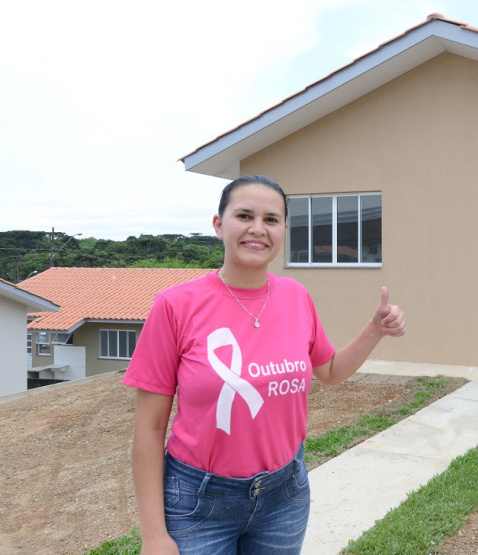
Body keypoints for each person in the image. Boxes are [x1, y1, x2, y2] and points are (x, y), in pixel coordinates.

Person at [123, 175, 405, 554]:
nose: (258, 228)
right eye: (244, 216)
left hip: (283, 497)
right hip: (197, 502)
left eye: (271, 219)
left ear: (284, 229)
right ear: (219, 225)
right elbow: (149, 427)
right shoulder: (175, 305)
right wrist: (153, 535)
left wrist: (375, 330)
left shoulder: (296, 296)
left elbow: (331, 371)